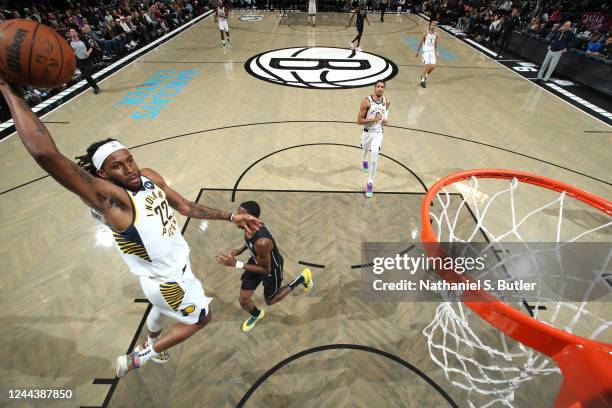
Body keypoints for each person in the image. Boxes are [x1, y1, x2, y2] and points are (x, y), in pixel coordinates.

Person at [0, 76, 262, 378]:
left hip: (171, 274)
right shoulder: (113, 201)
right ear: (101, 174)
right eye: (118, 167)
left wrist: (231, 216)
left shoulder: (148, 176)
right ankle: (142, 356)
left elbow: (186, 207)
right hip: (167, 282)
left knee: (161, 309)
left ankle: (150, 338)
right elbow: (47, 155)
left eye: (129, 160)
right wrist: (9, 88)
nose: (130, 169)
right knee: (200, 319)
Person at [216, 201, 313, 333]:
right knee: (244, 300)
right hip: (256, 261)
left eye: (241, 215)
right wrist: (240, 250)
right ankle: (256, 314)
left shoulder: (262, 242)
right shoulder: (248, 226)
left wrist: (235, 264)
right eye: (238, 213)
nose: (237, 218)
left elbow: (265, 269)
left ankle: (302, 278)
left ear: (252, 218)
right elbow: (250, 241)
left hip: (271, 269)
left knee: (270, 300)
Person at [357, 81, 390, 198]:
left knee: (375, 156)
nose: (380, 89)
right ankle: (364, 158)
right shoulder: (366, 102)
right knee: (365, 149)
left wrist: (385, 120)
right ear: (374, 88)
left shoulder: (387, 101)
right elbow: (359, 121)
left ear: (384, 89)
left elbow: (385, 112)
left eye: (382, 87)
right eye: (378, 87)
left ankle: (370, 182)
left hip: (378, 133)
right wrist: (373, 119)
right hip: (367, 132)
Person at [69, 28, 101, 95]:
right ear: (70, 34)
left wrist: (88, 53)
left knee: (87, 75)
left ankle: (96, 87)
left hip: (86, 60)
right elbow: (70, 52)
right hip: (79, 61)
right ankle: (94, 86)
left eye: (74, 31)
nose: (73, 33)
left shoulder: (83, 39)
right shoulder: (69, 42)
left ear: (76, 33)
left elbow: (91, 47)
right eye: (71, 32)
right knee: (85, 76)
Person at [415, 20, 440, 88]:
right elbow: (420, 42)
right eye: (432, 25)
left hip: (432, 51)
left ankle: (424, 76)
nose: (433, 26)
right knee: (427, 65)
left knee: (433, 66)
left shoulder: (436, 34)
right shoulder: (425, 33)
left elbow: (436, 45)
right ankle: (422, 81)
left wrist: (437, 52)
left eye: (434, 25)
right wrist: (417, 52)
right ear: (430, 25)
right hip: (426, 51)